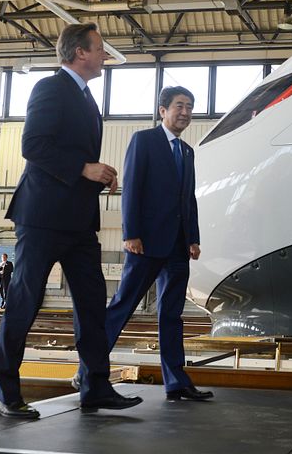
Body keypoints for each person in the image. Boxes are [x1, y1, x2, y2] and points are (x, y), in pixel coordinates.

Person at [0, 23, 143, 419]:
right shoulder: (50, 88)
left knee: (92, 304)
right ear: (80, 53)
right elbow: (33, 145)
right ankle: (5, 392)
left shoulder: (87, 98)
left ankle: (95, 387)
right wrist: (84, 169)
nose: (105, 55)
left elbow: (75, 157)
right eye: (100, 49)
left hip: (78, 221)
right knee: (24, 302)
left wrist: (98, 176)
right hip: (42, 218)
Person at [75, 86, 213, 402]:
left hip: (178, 247)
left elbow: (187, 198)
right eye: (180, 105)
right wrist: (130, 233)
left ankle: (176, 382)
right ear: (163, 110)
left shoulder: (188, 152)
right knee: (122, 307)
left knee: (171, 315)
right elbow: (133, 186)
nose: (186, 112)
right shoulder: (144, 141)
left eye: (190, 107)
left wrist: (193, 237)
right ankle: (87, 372)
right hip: (146, 243)